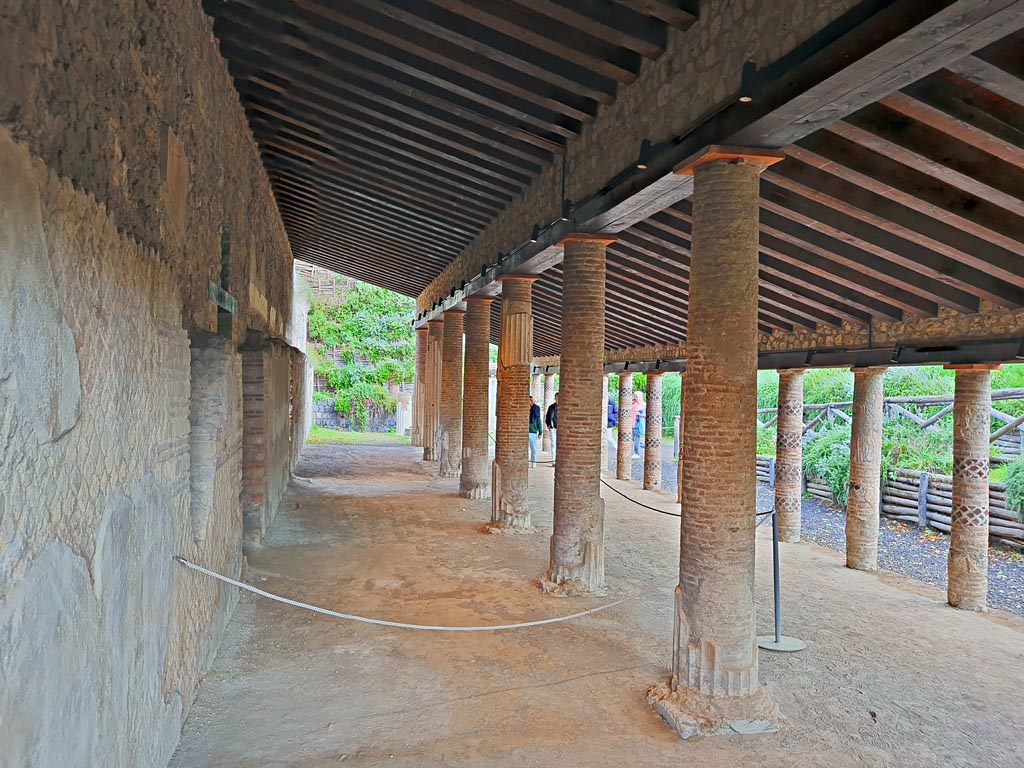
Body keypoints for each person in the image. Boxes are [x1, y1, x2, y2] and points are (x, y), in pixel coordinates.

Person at [529, 396, 543, 468]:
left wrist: (540, 432)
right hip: (524, 432)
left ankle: (533, 462)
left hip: (533, 432)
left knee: (533, 448)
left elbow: (538, 421)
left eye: (531, 401)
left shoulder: (536, 409)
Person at [544, 392, 558, 462]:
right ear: (555, 398)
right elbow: (547, 417)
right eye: (557, 397)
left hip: (561, 428)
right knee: (553, 444)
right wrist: (549, 425)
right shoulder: (551, 407)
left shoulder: (564, 407)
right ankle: (553, 460)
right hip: (553, 428)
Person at [632, 391, 646, 459]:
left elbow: (646, 414)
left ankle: (636, 453)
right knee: (632, 438)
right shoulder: (635, 404)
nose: (635, 398)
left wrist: (640, 414)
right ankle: (643, 445)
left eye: (636, 396)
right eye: (634, 396)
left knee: (636, 438)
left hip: (638, 424)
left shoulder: (644, 405)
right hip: (633, 423)